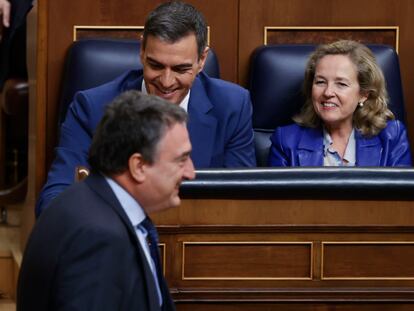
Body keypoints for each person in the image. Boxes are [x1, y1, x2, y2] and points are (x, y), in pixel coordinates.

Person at [35, 0, 255, 217]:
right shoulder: (91, 108)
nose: (167, 82)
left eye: (181, 69)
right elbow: (56, 198)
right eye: (156, 65)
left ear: (202, 59)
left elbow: (242, 201)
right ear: (141, 51)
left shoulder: (232, 106)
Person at [17, 90, 194, 311]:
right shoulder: (99, 238)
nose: (191, 173)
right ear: (138, 166)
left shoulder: (83, 201)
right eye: (182, 160)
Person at [268, 40, 412, 167]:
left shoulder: (392, 137)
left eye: (341, 84)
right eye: (320, 82)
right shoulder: (285, 141)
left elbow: (399, 197)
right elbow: (279, 198)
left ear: (363, 94)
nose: (328, 92)